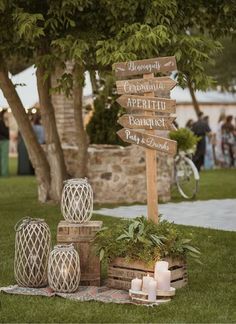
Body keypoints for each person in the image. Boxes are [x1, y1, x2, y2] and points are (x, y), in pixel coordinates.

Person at [0, 109, 9, 176]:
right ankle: (4, 173)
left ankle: (3, 173)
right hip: (4, 140)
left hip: (4, 140)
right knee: (4, 158)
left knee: (3, 158)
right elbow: (5, 132)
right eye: (7, 113)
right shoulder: (2, 122)